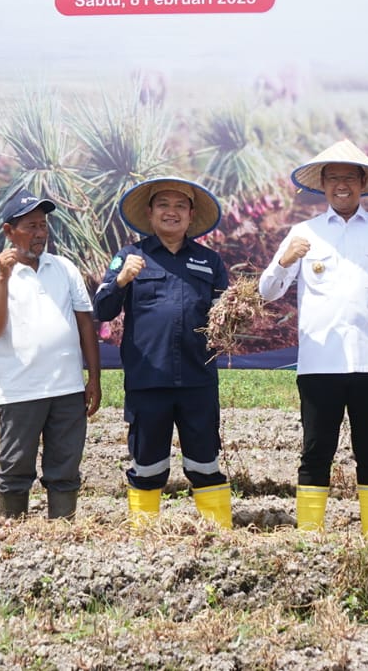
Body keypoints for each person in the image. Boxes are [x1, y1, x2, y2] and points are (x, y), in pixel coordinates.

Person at [259, 141, 368, 537]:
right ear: (321, 184)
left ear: (363, 183)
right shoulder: (303, 233)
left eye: (349, 177)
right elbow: (268, 291)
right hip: (320, 363)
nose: (341, 185)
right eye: (333, 177)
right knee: (316, 450)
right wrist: (284, 261)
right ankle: (309, 534)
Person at [95, 178, 232, 529]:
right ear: (150, 213)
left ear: (191, 215)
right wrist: (122, 280)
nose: (171, 212)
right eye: (163, 205)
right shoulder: (129, 257)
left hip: (198, 380)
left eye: (180, 206)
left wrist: (234, 313)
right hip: (147, 380)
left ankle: (219, 538)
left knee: (205, 464)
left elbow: (226, 317)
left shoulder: (210, 261)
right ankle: (145, 540)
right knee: (147, 465)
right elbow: (102, 309)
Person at [0, 188, 101, 520]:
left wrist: (94, 379)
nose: (40, 233)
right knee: (15, 466)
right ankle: (13, 532)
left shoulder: (64, 268)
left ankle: (61, 531)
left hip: (67, 388)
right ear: (8, 232)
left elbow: (86, 324)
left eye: (43, 225)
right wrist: (4, 276)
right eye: (30, 226)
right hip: (20, 390)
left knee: (66, 466)